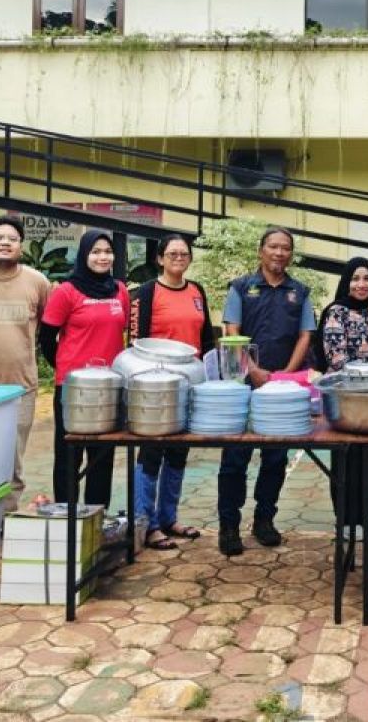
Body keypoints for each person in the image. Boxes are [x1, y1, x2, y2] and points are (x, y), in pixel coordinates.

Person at [218, 227, 316, 556]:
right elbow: (231, 330)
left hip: (283, 388)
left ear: (291, 254)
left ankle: (264, 520)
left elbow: (305, 335)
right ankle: (228, 526)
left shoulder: (300, 291)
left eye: (285, 248)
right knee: (234, 458)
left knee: (275, 458)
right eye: (273, 247)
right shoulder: (241, 287)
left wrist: (287, 373)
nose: (279, 253)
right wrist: (252, 370)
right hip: (243, 385)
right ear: (261, 250)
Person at [128, 234, 215, 550]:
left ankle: (168, 517)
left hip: (190, 380)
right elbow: (134, 340)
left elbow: (206, 339)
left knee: (179, 450)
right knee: (151, 451)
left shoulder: (197, 291)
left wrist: (210, 375)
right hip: (156, 385)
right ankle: (145, 523)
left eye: (184, 253)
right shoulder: (146, 293)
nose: (179, 257)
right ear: (160, 259)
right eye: (172, 253)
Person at [40, 230, 130, 507]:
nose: (102, 257)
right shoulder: (66, 291)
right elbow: (46, 337)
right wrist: (68, 370)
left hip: (108, 386)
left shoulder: (119, 290)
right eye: (95, 252)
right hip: (73, 388)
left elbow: (121, 331)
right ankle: (68, 518)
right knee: (69, 455)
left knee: (102, 456)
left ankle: (96, 518)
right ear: (84, 255)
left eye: (107, 252)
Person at [0, 215, 51, 512]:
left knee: (12, 457)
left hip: (21, 386)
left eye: (13, 239)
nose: (5, 242)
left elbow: (46, 325)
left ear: (21, 246)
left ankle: (5, 516)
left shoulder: (37, 282)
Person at [317, 256, 368, 537]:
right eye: (355, 279)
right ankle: (345, 521)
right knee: (345, 460)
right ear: (346, 281)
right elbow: (335, 357)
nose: (362, 285)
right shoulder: (336, 312)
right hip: (346, 399)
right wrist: (366, 378)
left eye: (367, 279)